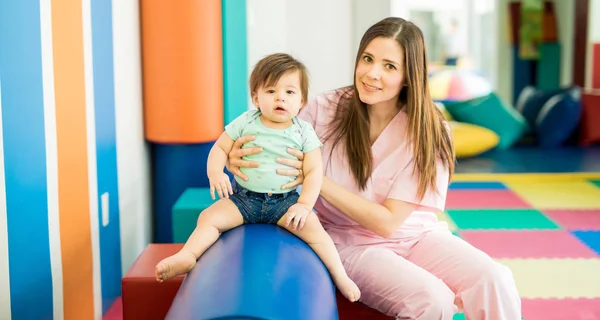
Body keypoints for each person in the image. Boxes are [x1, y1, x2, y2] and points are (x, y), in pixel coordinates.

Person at [228, 18, 522, 319]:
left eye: (389, 66)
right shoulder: (322, 110)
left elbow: (388, 222)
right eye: (367, 59)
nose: (372, 73)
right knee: (432, 300)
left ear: (409, 76)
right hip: (347, 241)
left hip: (417, 237)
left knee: (495, 279)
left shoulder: (430, 130)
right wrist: (234, 155)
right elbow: (263, 130)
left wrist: (315, 179)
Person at [155, 53, 361, 302]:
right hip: (244, 200)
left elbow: (313, 171)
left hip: (285, 203)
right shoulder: (246, 121)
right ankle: (188, 255)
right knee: (208, 218)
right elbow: (219, 148)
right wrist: (216, 172)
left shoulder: (303, 131)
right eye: (271, 90)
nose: (280, 97)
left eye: (289, 92)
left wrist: (304, 205)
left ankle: (340, 275)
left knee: (316, 231)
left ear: (302, 101)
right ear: (256, 98)